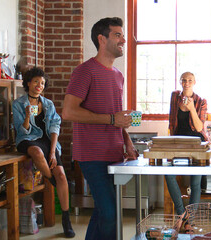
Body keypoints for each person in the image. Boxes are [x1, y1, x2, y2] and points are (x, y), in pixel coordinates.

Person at [62, 17, 138, 240]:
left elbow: (117, 115)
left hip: (115, 155)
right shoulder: (85, 71)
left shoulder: (118, 75)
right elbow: (68, 112)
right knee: (110, 213)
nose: (123, 39)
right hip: (92, 155)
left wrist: (128, 141)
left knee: (105, 211)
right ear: (101, 39)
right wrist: (112, 120)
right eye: (118, 35)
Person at [12, 67, 75, 238]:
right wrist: (26, 117)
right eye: (36, 82)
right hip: (27, 140)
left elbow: (55, 127)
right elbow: (21, 131)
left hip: (48, 142)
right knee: (37, 152)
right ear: (28, 83)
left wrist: (53, 151)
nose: (39, 85)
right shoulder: (18, 104)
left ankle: (66, 220)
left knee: (62, 175)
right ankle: (53, 181)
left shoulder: (48, 104)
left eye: (42, 83)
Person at [166, 71, 207, 231]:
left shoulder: (201, 101)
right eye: (184, 80)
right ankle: (181, 212)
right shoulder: (174, 97)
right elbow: (171, 121)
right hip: (178, 143)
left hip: (197, 144)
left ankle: (191, 222)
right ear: (180, 82)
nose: (186, 83)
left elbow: (199, 127)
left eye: (190, 80)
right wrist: (169, 140)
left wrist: (191, 109)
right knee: (168, 174)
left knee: (195, 182)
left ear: (194, 82)